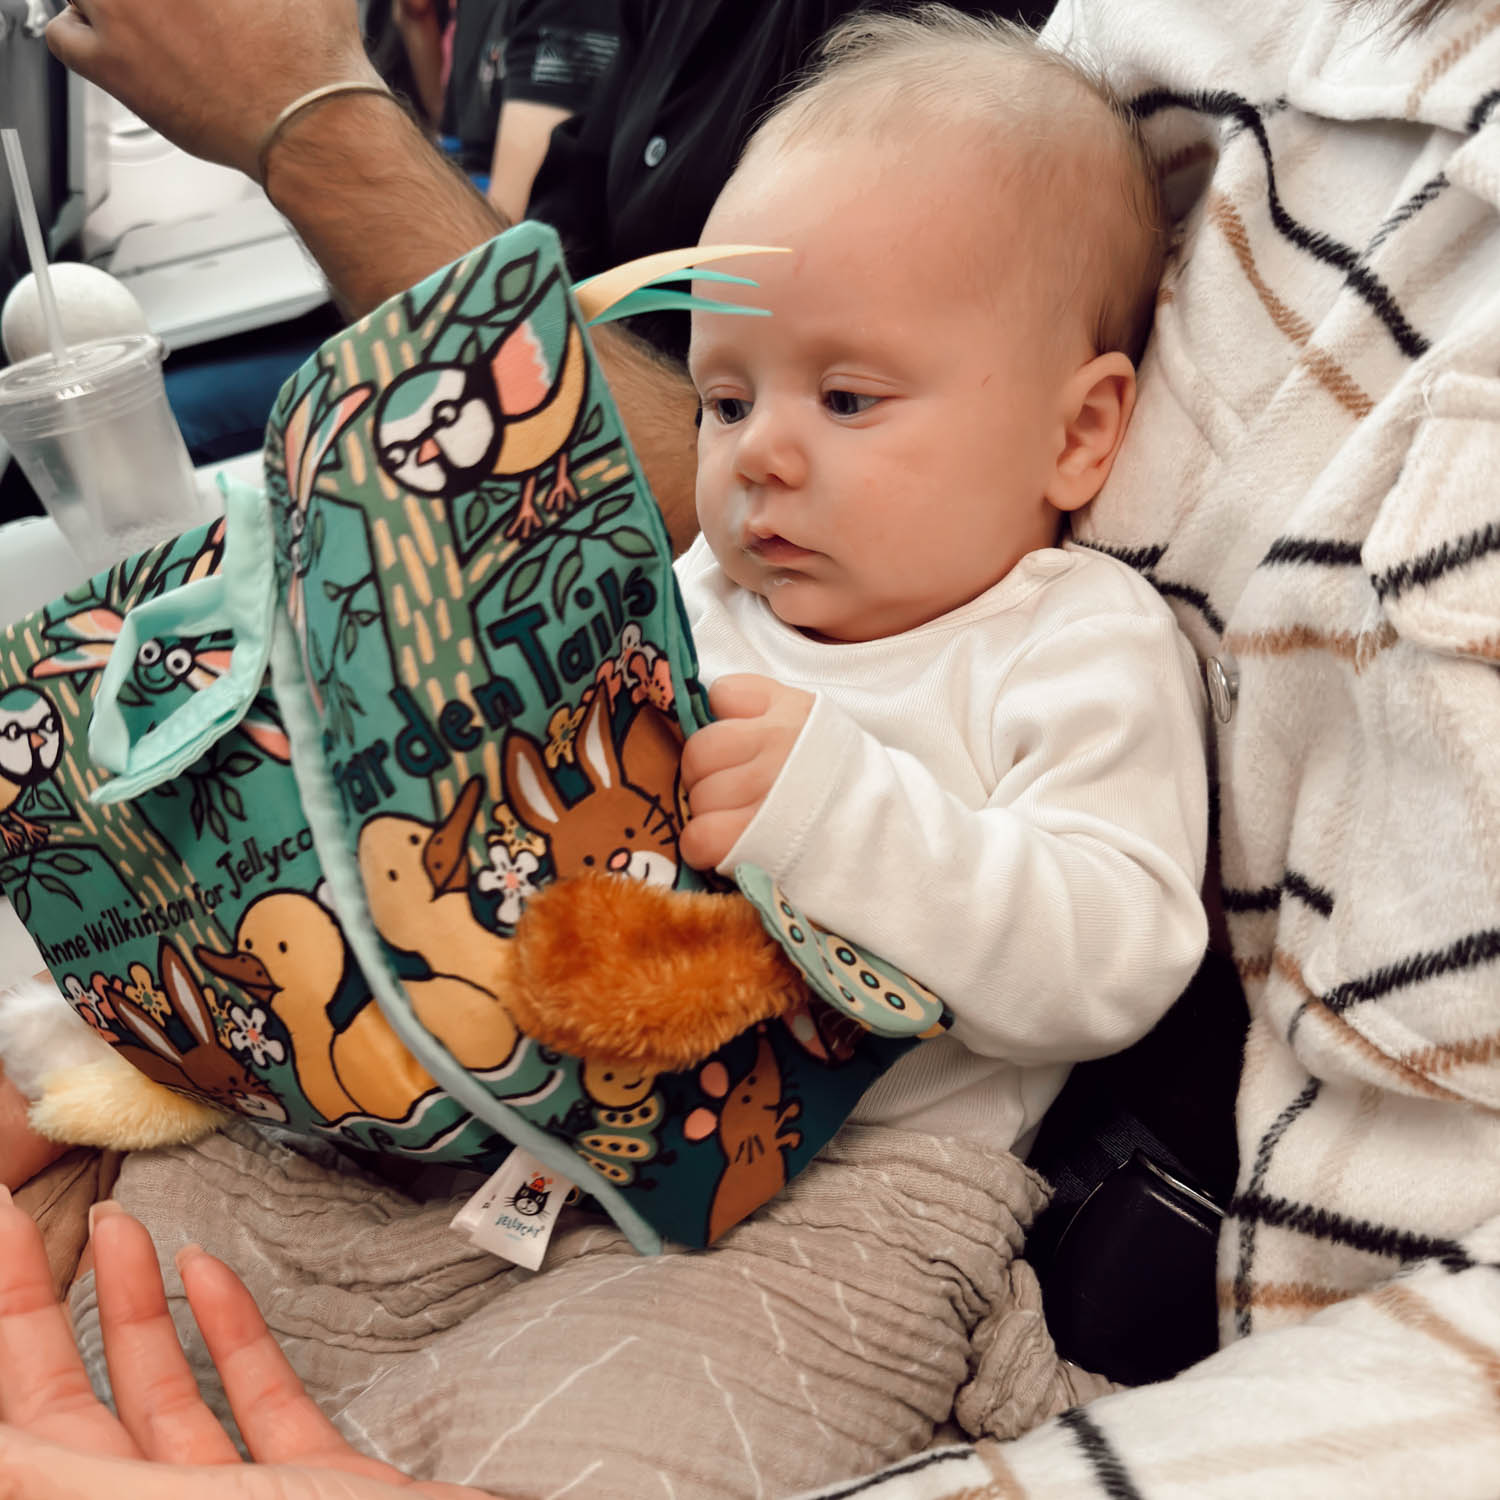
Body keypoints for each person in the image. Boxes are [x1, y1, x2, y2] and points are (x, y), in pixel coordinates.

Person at [13, 0, 1500, 1495]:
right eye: (724, 396)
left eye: (847, 398)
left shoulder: (1072, 644)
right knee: (176, 1242)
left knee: (634, 1437)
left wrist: (833, 811)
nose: (760, 453)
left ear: (1081, 435)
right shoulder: (705, 593)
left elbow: (1109, 958)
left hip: (848, 1193)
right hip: (531, 1122)